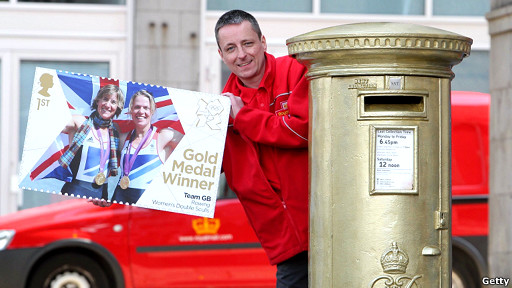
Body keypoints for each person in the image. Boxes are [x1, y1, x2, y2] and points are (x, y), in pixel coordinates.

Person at [215, 9, 309, 288]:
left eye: (248, 43)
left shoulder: (295, 71)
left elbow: (302, 131)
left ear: (263, 42)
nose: (241, 55)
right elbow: (196, 168)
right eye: (231, 48)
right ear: (222, 55)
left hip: (326, 227)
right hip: (285, 241)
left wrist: (243, 117)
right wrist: (119, 189)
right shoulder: (217, 110)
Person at [111, 89, 183, 204]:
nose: (141, 111)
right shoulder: (123, 138)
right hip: (121, 204)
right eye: (137, 107)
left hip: (148, 209)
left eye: (146, 108)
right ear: (131, 110)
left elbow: (196, 141)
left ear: (152, 111)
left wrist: (220, 106)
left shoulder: (163, 137)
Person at [59, 84, 124, 200]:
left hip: (101, 195)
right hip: (74, 193)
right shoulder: (80, 122)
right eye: (105, 99)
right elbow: (53, 123)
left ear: (118, 107)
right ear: (98, 101)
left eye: (113, 102)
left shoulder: (115, 131)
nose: (108, 105)